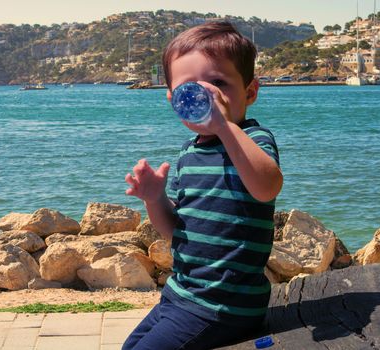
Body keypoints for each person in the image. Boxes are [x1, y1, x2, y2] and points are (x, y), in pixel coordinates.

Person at [123, 21, 283, 350]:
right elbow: (176, 232)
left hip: (223, 307)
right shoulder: (189, 152)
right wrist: (154, 199)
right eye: (190, 89)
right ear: (173, 99)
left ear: (250, 92)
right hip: (180, 295)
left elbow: (267, 187)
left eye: (218, 83)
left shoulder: (253, 139)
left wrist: (224, 126)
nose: (205, 95)